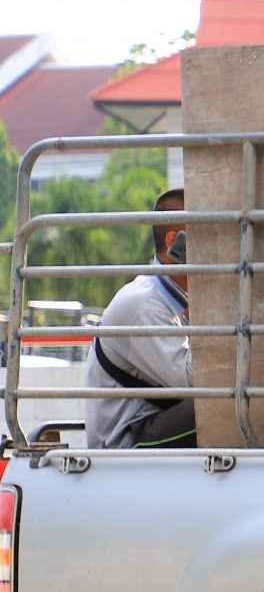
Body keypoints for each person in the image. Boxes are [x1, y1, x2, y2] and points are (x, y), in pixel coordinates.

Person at [84, 188, 195, 450]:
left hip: (155, 420)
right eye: (209, 236)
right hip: (129, 440)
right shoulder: (144, 303)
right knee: (225, 404)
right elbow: (195, 382)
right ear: (174, 243)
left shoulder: (173, 295)